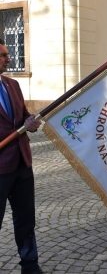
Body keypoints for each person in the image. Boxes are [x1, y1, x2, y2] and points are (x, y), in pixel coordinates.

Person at [0, 39, 43, 274]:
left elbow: (24, 116)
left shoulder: (12, 85)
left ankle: (30, 265)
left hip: (22, 164)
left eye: (8, 54)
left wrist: (31, 123)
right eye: (4, 55)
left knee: (25, 220)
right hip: (0, 168)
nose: (9, 58)